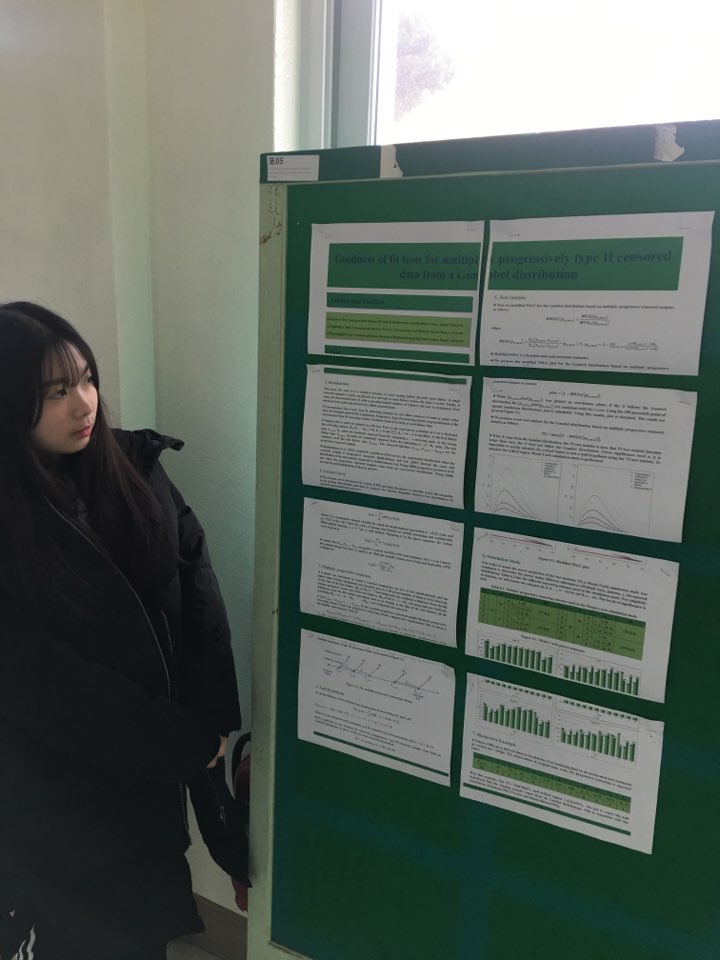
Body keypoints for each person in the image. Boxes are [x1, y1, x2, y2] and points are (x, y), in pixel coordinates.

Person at [0, 302, 243, 960]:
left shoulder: (135, 464)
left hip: (154, 773)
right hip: (63, 795)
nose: (84, 403)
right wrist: (179, 740)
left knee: (143, 930)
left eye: (86, 378)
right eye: (55, 392)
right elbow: (41, 681)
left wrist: (210, 721)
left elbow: (197, 585)